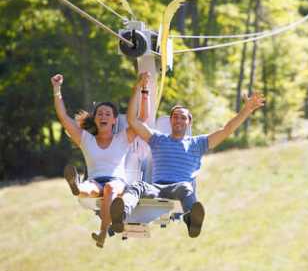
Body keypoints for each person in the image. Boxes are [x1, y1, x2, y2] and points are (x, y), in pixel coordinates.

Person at [109, 72, 265, 238]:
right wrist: (137, 88)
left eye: (182, 118)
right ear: (170, 121)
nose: (178, 120)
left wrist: (246, 110)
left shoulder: (198, 143)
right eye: (175, 117)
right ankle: (120, 215)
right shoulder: (157, 139)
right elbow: (133, 121)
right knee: (137, 186)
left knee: (186, 187)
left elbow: (226, 130)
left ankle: (192, 221)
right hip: (156, 187)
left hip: (179, 188)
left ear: (188, 122)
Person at [51, 73, 150, 248]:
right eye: (100, 114)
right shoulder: (85, 139)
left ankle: (102, 232)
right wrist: (57, 89)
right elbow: (63, 118)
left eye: (107, 114)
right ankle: (76, 186)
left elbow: (142, 119)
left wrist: (143, 89)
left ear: (113, 120)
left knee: (110, 188)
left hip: (117, 182)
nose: (103, 116)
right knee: (87, 189)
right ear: (95, 120)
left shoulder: (123, 137)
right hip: (95, 181)